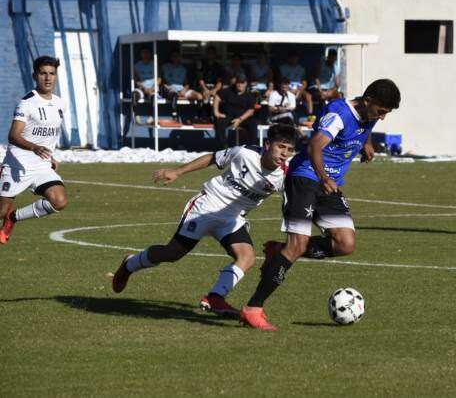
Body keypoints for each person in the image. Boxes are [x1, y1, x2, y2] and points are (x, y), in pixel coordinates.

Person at [239, 79, 401, 331]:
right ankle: (253, 308)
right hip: (306, 177)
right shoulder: (339, 113)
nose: (382, 118)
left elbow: (363, 127)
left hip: (329, 184)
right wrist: (324, 177)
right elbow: (315, 145)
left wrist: (366, 143)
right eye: (381, 112)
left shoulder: (368, 113)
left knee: (345, 244)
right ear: (368, 101)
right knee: (298, 245)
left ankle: (278, 251)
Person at [111, 124, 300, 315]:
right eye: (281, 147)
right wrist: (177, 171)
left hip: (232, 218)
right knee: (173, 253)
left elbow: (291, 205)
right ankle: (130, 264)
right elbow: (212, 158)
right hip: (207, 205)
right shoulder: (244, 153)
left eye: (290, 150)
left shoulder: (284, 176)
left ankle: (215, 298)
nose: (285, 154)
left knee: (247, 257)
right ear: (268, 144)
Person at [0, 56, 69, 245]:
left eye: (52, 74)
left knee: (59, 201)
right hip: (17, 165)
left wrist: (50, 155)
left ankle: (13, 218)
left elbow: (50, 134)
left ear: (56, 76)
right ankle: (6, 215)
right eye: (43, 73)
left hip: (41, 166)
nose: (48, 78)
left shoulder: (60, 103)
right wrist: (34, 147)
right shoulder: (27, 103)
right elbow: (14, 135)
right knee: (0, 212)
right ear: (35, 76)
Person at [214, 75, 257, 148]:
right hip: (228, 116)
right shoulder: (228, 91)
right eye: (238, 82)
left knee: (253, 122)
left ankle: (252, 146)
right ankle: (223, 146)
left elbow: (251, 110)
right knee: (219, 122)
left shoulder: (249, 95)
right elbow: (217, 97)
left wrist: (240, 120)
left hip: (242, 118)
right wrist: (216, 112)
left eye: (242, 83)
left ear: (246, 83)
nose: (240, 84)